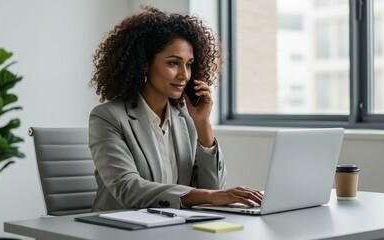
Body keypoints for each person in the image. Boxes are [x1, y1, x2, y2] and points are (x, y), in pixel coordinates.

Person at [88, 6, 262, 212]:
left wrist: (202, 123)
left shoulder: (185, 118)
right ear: (144, 64)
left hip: (173, 227)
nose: (184, 75)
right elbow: (128, 188)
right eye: (173, 63)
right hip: (119, 228)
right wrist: (210, 196)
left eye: (189, 65)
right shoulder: (108, 117)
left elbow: (214, 189)